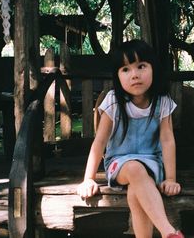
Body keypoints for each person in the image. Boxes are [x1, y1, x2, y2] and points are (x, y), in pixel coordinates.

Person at [76, 40, 184, 238]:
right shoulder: (114, 102)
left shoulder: (162, 102)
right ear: (118, 76)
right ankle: (169, 232)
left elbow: (167, 140)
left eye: (141, 66)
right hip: (119, 164)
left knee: (136, 191)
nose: (134, 75)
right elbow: (99, 142)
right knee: (134, 169)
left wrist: (170, 178)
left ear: (153, 68)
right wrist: (88, 178)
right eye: (126, 69)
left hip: (151, 164)